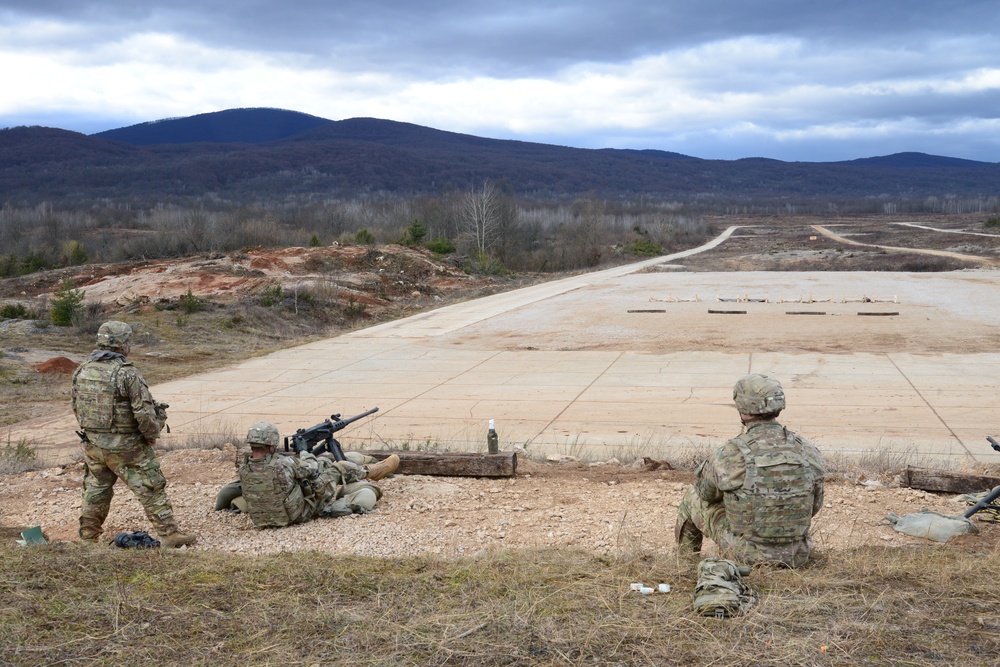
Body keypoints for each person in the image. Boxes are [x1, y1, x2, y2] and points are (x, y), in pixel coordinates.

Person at [674, 373, 824, 568]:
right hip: (798, 555)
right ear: (778, 406)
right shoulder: (807, 450)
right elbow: (815, 505)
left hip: (747, 555)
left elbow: (706, 494)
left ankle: (684, 564)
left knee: (692, 497)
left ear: (743, 410)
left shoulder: (731, 453)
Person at [71, 320, 196, 548]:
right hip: (126, 445)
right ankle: (169, 535)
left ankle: (88, 539)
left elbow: (76, 406)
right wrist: (151, 434)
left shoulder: (82, 370)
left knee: (96, 489)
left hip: (94, 444)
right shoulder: (127, 374)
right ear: (123, 344)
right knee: (151, 485)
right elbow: (143, 412)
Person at [226, 422, 399, 528]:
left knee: (317, 467)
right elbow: (311, 466)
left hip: (265, 519)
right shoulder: (284, 464)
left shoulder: (245, 468)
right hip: (297, 515)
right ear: (271, 445)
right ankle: (370, 472)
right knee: (335, 468)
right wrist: (303, 450)